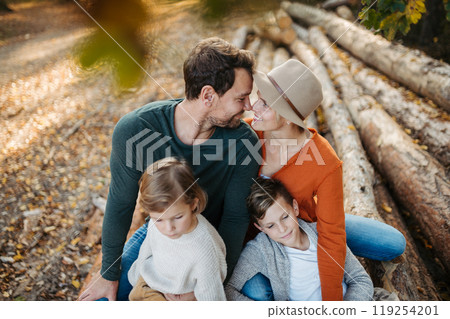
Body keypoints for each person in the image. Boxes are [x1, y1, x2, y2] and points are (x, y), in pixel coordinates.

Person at [79, 37, 260, 301]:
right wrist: (108, 273)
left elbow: (235, 220)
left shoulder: (243, 143)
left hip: (211, 242)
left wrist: (203, 288)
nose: (249, 107)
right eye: (241, 98)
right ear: (208, 95)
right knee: (104, 302)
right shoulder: (136, 130)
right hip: (161, 231)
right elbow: (120, 204)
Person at [242, 59, 405, 301]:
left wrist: (331, 304)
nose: (254, 106)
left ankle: (335, 220)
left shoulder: (326, 161)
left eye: (264, 103)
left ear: (287, 117)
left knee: (393, 244)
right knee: (258, 292)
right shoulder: (248, 133)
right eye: (258, 97)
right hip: (261, 235)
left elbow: (330, 235)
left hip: (305, 225)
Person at [226, 177, 374, 301]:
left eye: (285, 217)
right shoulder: (260, 249)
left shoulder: (322, 233)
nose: (282, 229)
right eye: (271, 226)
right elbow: (229, 290)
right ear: (261, 228)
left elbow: (361, 280)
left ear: (295, 208)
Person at [127, 157, 227, 301]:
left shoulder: (203, 248)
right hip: (150, 281)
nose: (169, 228)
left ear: (193, 204)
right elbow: (147, 249)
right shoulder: (157, 220)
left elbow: (211, 295)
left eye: (178, 217)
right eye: (159, 220)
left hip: (182, 295)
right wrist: (136, 280)